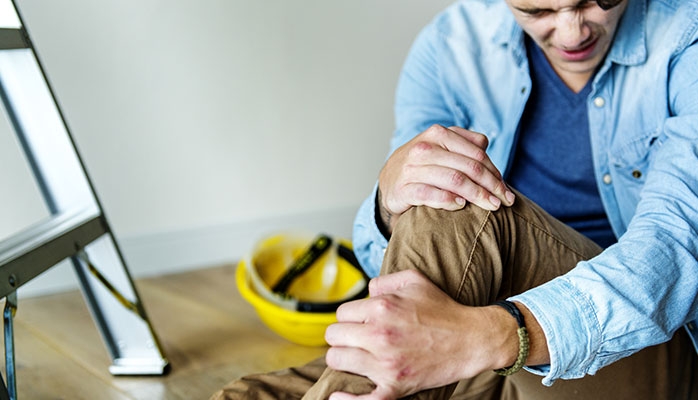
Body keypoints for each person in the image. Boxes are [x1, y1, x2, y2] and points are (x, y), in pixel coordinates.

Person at [211, 0, 698, 398]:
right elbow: (401, 258)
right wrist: (388, 202)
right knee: (248, 395)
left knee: (457, 202)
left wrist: (493, 335)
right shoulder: (451, 46)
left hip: (639, 349)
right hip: (484, 348)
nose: (572, 33)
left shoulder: (685, 35)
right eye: (538, 11)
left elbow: (674, 254)